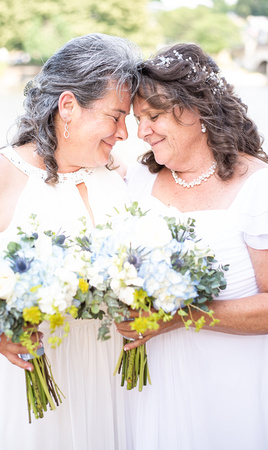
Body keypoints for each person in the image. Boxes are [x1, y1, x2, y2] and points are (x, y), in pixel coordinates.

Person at [0, 33, 141, 450]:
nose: (124, 133)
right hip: (30, 380)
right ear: (68, 106)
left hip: (109, 378)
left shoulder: (117, 173)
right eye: (115, 116)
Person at [116, 43, 268, 450]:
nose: (141, 131)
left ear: (197, 110)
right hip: (149, 385)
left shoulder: (258, 187)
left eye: (153, 116)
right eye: (136, 119)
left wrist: (182, 315)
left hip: (229, 385)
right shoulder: (136, 181)